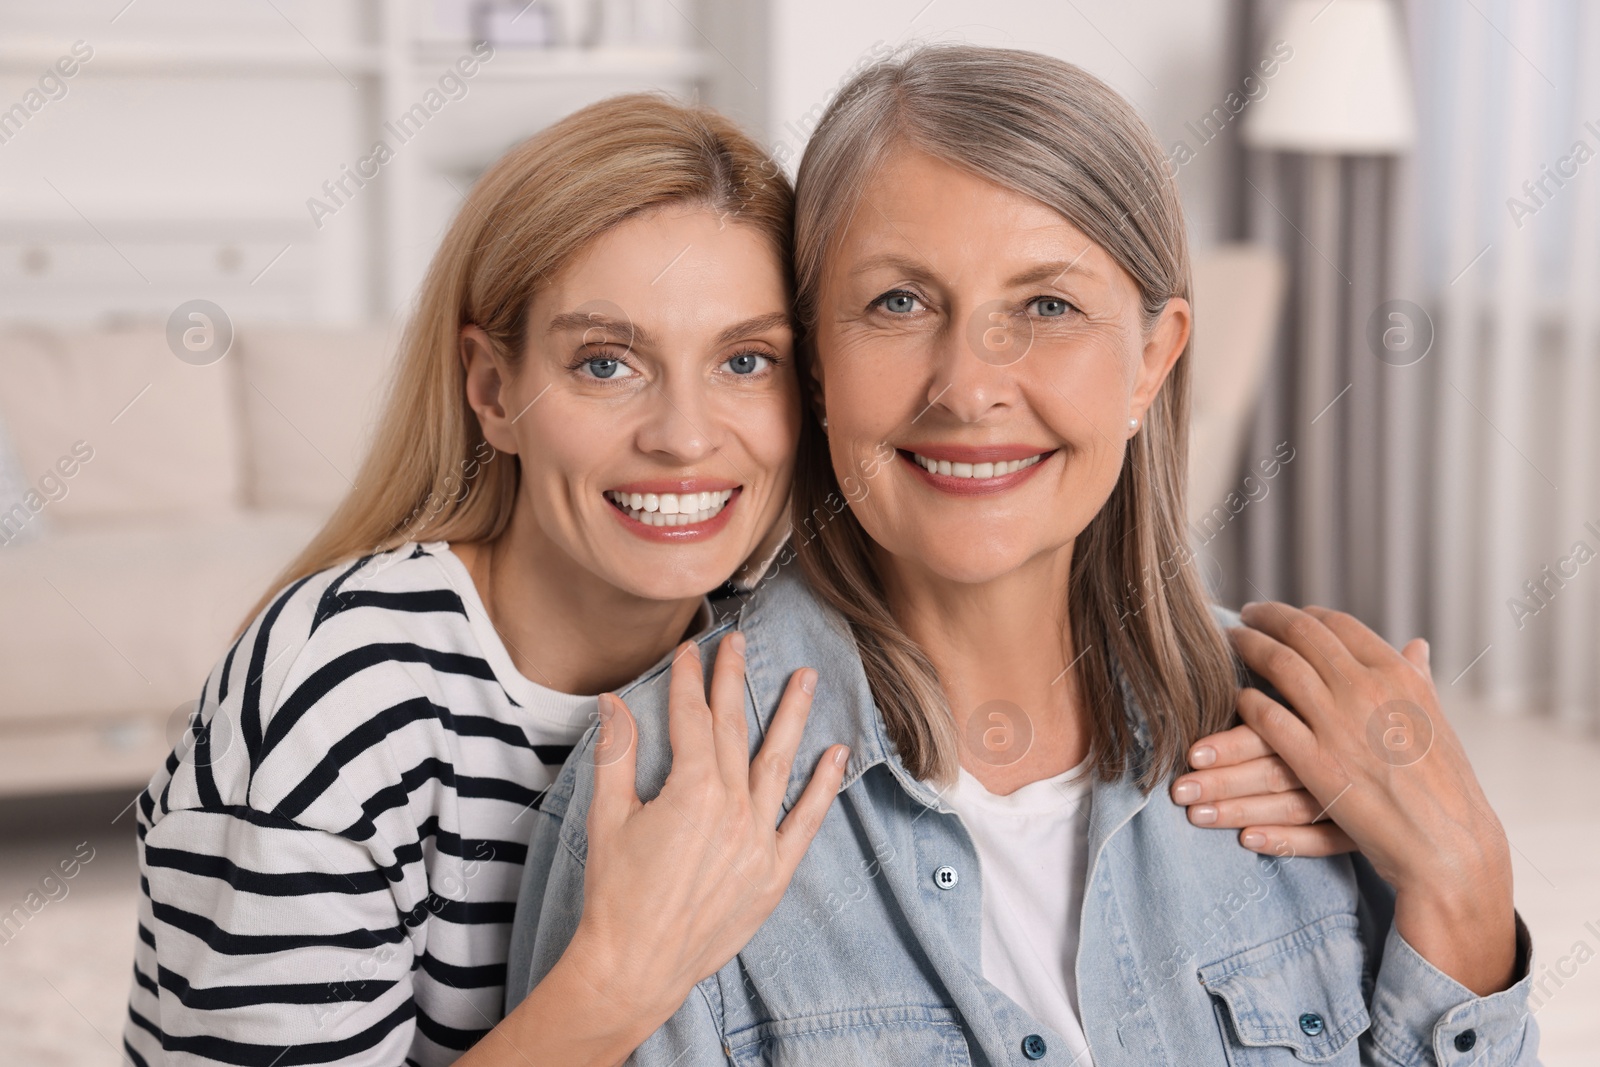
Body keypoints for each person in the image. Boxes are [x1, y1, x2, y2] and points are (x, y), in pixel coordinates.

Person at [505, 46, 1539, 1065]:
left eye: (1045, 305)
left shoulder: (1320, 744)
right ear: (816, 360)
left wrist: (1463, 891)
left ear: (1151, 358)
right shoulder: (653, 786)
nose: (968, 385)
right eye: (898, 303)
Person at [121, 94, 853, 1067]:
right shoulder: (338, 689)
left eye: (745, 359)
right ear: (494, 389)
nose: (683, 434)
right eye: (606, 362)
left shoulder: (778, 669)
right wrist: (619, 977)